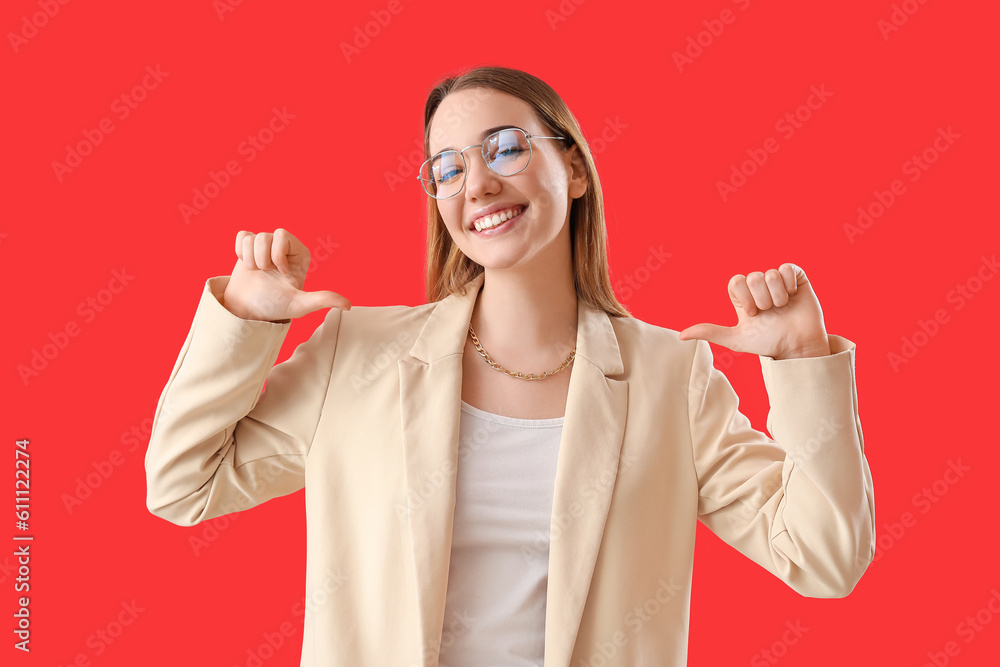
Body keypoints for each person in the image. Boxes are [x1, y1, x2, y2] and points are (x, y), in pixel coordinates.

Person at [145, 65, 875, 667]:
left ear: (575, 168)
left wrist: (801, 362)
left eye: (504, 149)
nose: (477, 185)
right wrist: (246, 320)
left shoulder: (669, 374)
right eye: (447, 167)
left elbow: (825, 556)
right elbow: (182, 484)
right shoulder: (357, 353)